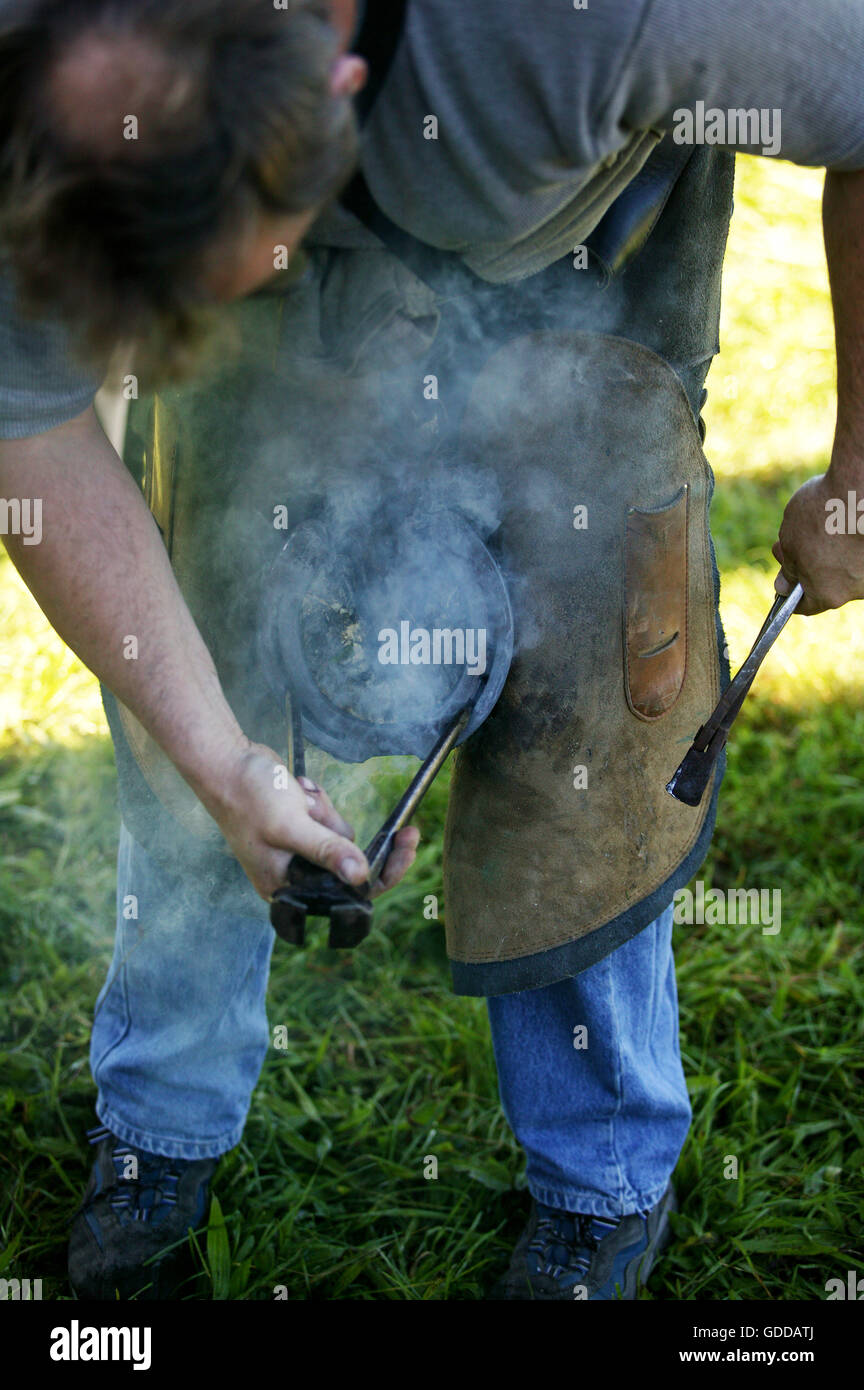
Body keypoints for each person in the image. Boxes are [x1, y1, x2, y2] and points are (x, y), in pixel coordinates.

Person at [1, 0, 863, 1301]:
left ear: (336, 91)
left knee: (594, 725)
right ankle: (157, 1124)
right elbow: (28, 426)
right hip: (283, 287)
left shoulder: (614, 26)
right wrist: (224, 764)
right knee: (212, 629)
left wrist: (860, 471)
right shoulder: (36, 72)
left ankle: (601, 1180)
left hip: (596, 285)